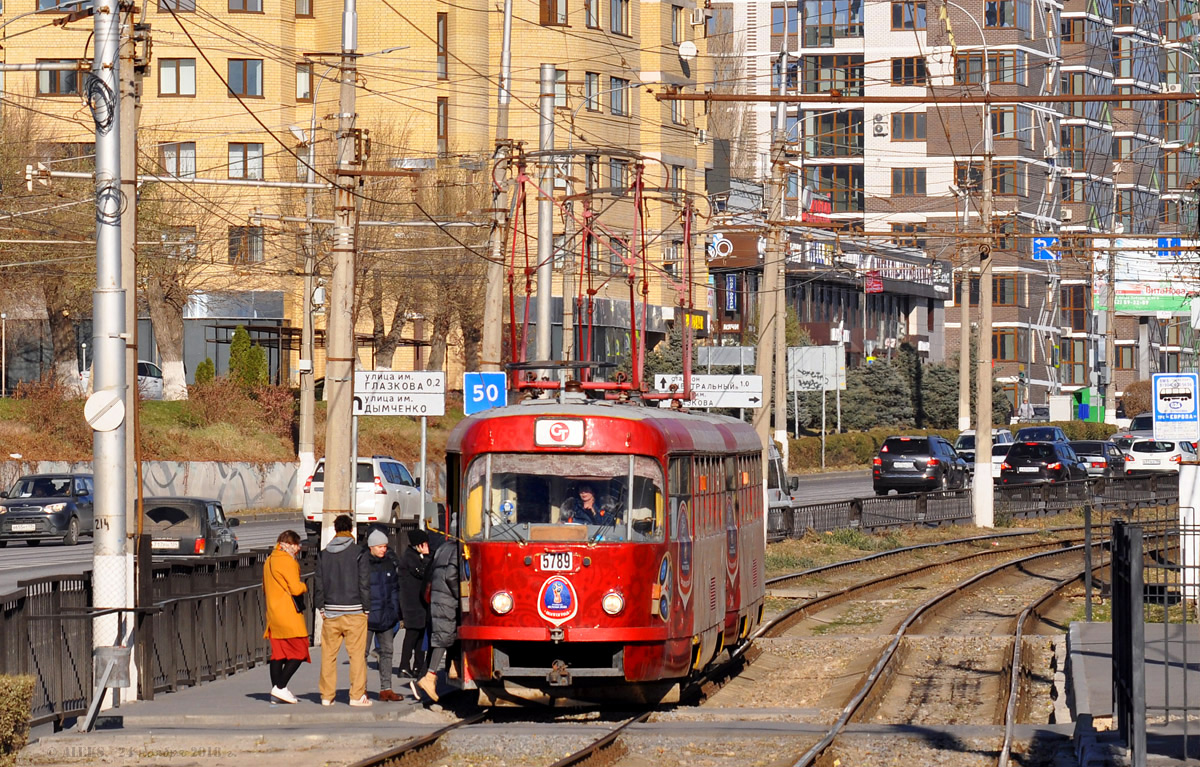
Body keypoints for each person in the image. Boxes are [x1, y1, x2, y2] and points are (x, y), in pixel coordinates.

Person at [313, 514, 372, 707]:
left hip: (331, 612)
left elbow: (319, 583)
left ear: (335, 530)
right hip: (355, 611)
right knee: (356, 656)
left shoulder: (323, 554)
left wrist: (321, 606)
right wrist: (367, 607)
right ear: (351, 530)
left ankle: (326, 696)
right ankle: (356, 696)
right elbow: (364, 582)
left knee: (328, 656)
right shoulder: (359, 552)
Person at [263, 529, 309, 705]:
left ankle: (277, 692)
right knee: (300, 650)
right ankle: (280, 687)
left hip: (273, 613)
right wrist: (304, 586)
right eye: (297, 545)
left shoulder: (269, 560)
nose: (298, 549)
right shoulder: (287, 562)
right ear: (290, 544)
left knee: (279, 654)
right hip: (288, 613)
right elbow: (296, 589)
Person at [412, 537, 459, 703]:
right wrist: (461, 595)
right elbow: (452, 575)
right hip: (446, 599)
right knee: (443, 636)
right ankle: (429, 676)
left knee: (448, 634)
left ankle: (455, 667)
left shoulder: (443, 548)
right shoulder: (456, 550)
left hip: (439, 597)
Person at [364, 529, 403, 701]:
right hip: (367, 617)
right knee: (361, 654)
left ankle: (386, 688)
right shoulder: (363, 564)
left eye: (385, 546)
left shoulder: (389, 563)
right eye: (380, 547)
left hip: (386, 616)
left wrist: (395, 610)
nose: (383, 550)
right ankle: (360, 688)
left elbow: (395, 588)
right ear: (371, 547)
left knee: (387, 652)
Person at [397, 528, 431, 678]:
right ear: (419, 545)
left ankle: (418, 666)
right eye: (425, 544)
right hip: (412, 604)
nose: (428, 546)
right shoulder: (410, 558)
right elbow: (423, 572)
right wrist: (426, 556)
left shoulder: (417, 556)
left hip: (420, 604)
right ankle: (404, 666)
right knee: (411, 635)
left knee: (420, 636)